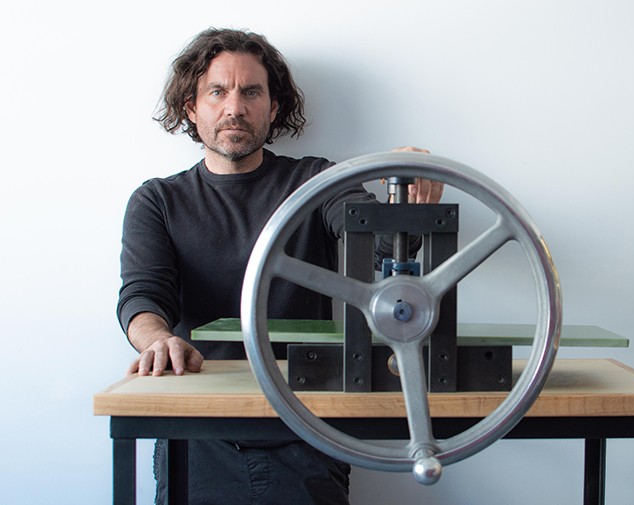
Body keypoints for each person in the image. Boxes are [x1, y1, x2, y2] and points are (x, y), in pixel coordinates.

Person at [117, 28, 443, 505]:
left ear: (273, 108)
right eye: (217, 91)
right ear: (192, 107)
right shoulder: (157, 201)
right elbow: (143, 297)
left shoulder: (315, 181)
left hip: (304, 425)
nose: (235, 107)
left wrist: (407, 195)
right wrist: (157, 340)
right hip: (199, 422)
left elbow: (381, 245)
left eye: (252, 92)